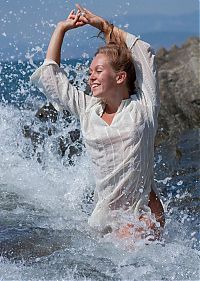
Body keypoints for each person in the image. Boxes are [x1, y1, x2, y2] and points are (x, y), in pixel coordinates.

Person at [30, 4, 165, 240]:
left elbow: (144, 53)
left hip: (143, 216)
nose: (90, 76)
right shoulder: (88, 109)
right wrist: (60, 29)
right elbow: (51, 78)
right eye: (90, 71)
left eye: (98, 70)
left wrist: (104, 27)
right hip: (105, 221)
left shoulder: (143, 106)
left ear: (120, 77)